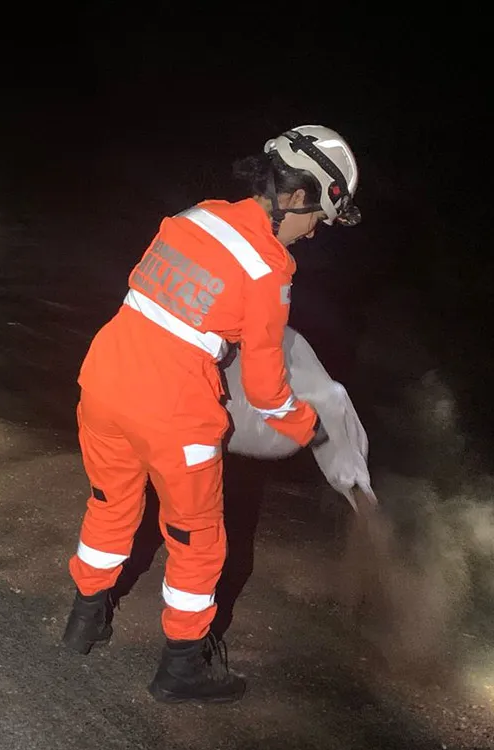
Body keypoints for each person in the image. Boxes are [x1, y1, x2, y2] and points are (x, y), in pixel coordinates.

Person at [62, 125, 362, 703]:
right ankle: (181, 668)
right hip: (173, 413)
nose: (313, 231)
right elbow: (267, 388)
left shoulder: (193, 217)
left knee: (110, 503)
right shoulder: (268, 269)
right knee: (197, 538)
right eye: (318, 217)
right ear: (299, 196)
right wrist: (306, 426)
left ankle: (84, 621)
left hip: (102, 380)